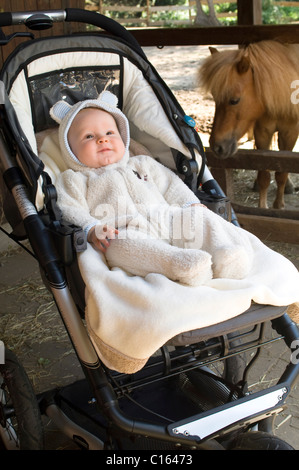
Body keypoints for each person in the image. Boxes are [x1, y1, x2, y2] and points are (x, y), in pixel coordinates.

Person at [50, 91, 252, 287]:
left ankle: (225, 255)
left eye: (110, 133)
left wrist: (190, 204)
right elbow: (68, 208)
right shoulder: (74, 179)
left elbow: (171, 185)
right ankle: (179, 263)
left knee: (198, 217)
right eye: (88, 137)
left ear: (123, 137)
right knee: (122, 245)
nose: (102, 139)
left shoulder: (142, 163)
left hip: (167, 219)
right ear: (70, 150)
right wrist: (91, 228)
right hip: (124, 230)